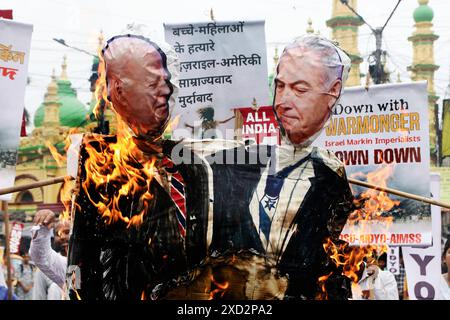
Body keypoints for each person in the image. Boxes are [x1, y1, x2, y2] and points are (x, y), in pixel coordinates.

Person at [68, 34, 355, 300]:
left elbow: (330, 273)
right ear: (115, 90)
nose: (284, 100)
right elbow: (87, 267)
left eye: (299, 89)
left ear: (333, 92)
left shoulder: (327, 179)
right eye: (280, 86)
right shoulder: (105, 165)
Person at [29, 209, 70, 294]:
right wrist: (43, 228)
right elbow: (40, 256)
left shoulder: (91, 261)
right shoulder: (61, 264)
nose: (62, 237)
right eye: (58, 234)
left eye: (67, 232)